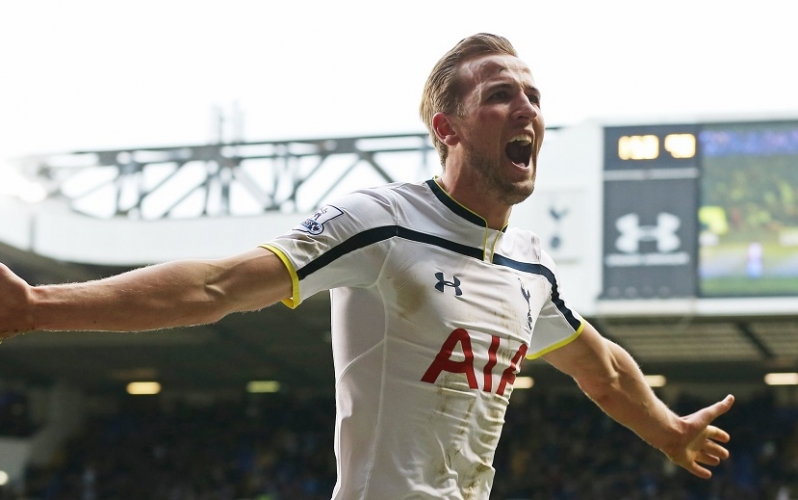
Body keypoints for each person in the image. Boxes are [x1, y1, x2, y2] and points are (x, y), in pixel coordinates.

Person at [0, 33, 734, 499]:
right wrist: (36, 306)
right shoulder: (381, 220)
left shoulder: (529, 265)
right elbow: (217, 286)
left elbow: (602, 370)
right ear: (447, 129)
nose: (527, 110)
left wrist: (669, 430)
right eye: (500, 95)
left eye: (534, 97)